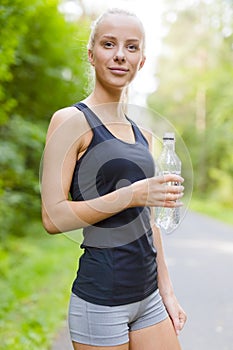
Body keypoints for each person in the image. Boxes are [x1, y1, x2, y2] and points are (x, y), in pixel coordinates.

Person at [41, 8, 187, 350]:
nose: (120, 54)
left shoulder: (144, 134)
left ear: (142, 61)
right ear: (91, 55)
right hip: (101, 299)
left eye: (131, 47)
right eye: (109, 44)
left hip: (148, 297)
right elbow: (52, 217)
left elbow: (147, 220)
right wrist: (132, 194)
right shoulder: (70, 121)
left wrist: (167, 292)